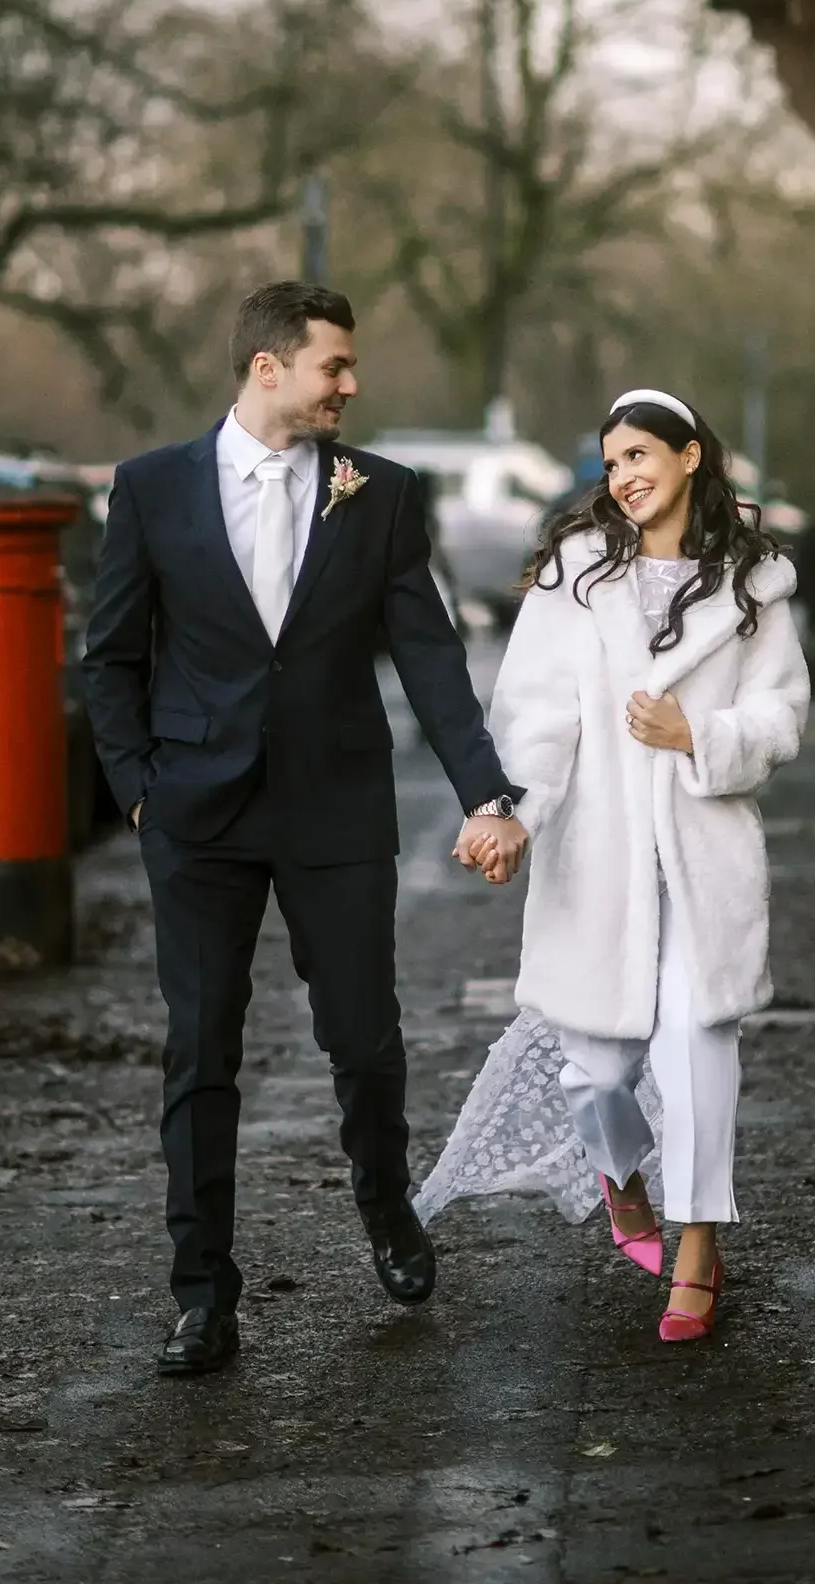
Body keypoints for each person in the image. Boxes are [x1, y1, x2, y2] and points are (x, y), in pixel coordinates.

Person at [82, 281, 528, 1376]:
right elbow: (111, 656)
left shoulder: (377, 492)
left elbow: (427, 652)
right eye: (335, 366)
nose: (352, 386)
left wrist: (487, 791)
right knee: (201, 1054)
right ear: (268, 367)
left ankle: (387, 1207)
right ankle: (203, 1298)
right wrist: (138, 786)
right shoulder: (150, 490)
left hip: (335, 806)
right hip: (198, 816)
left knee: (368, 1045)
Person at [422, 388, 809, 1341]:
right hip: (594, 852)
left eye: (641, 454)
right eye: (611, 462)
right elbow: (535, 713)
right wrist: (512, 814)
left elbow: (780, 718)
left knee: (695, 1044)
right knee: (592, 1072)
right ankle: (621, 1177)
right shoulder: (575, 573)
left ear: (689, 458)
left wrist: (699, 735)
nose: (625, 475)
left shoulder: (754, 582)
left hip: (701, 851)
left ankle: (696, 1248)